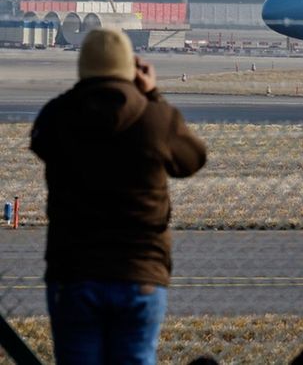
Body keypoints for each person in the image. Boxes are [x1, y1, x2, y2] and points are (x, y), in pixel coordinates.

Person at [31, 27, 208, 365]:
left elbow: (39, 140)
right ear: (131, 66)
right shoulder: (156, 119)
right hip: (139, 273)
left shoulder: (59, 116)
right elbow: (193, 159)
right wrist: (153, 95)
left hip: (75, 272)